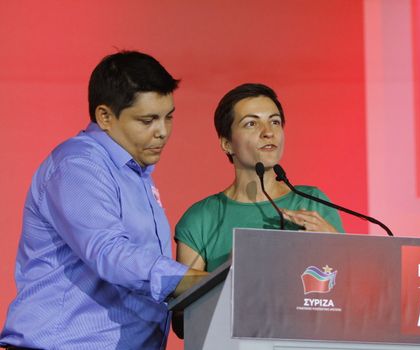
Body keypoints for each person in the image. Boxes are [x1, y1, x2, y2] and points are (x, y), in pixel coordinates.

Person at [0, 51, 206, 349]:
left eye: (168, 117)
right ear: (105, 116)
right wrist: (195, 280)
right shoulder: (78, 165)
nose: (162, 132)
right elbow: (109, 252)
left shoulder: (134, 172)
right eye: (147, 120)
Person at [175, 83, 344, 272]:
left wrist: (337, 245)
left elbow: (346, 284)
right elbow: (190, 299)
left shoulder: (313, 203)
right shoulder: (201, 218)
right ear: (226, 144)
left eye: (275, 122)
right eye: (251, 123)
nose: (268, 132)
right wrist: (230, 271)